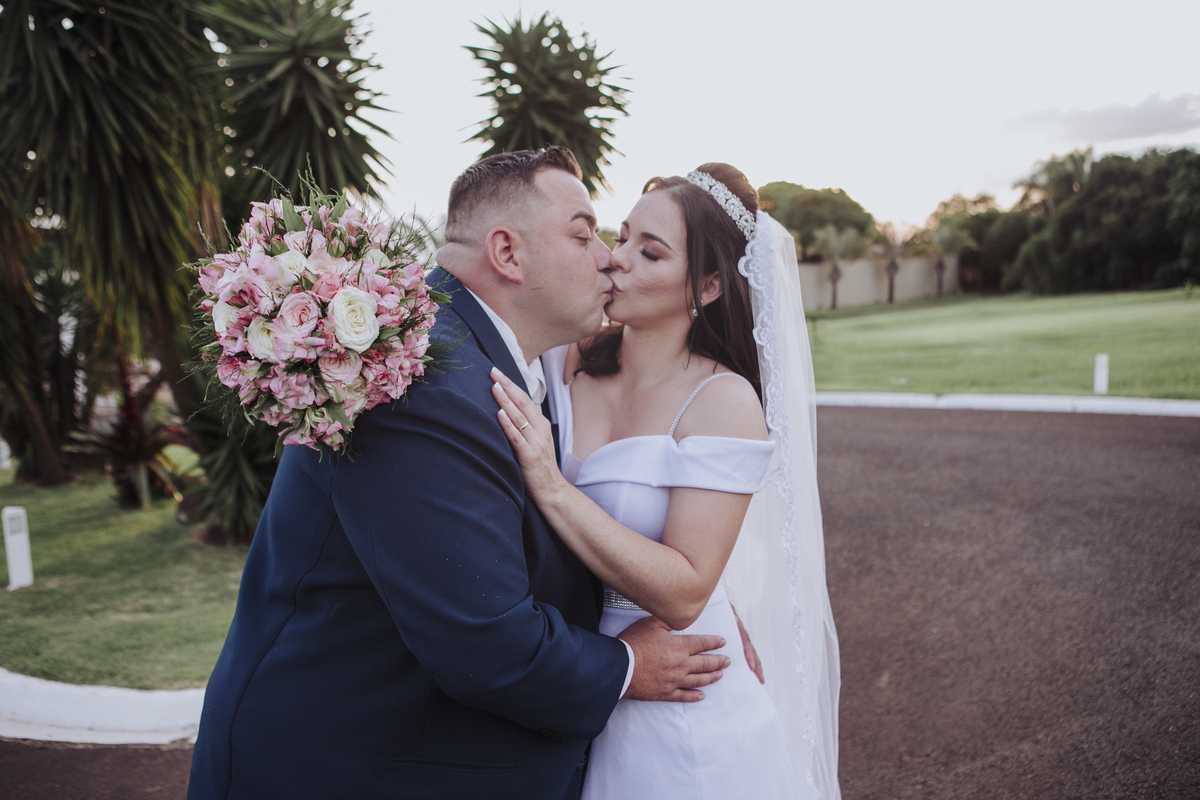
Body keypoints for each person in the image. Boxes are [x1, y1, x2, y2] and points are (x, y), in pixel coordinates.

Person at [186, 147, 735, 800]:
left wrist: (716, 603)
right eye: (584, 234)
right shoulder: (425, 384)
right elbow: (488, 644)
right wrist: (629, 664)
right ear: (507, 253)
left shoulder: (481, 351)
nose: (606, 258)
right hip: (351, 763)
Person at [489, 164, 842, 799]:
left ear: (707, 286)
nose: (615, 259)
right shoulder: (564, 358)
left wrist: (553, 485)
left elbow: (683, 594)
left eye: (649, 252)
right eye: (620, 237)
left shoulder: (723, 401)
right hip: (581, 673)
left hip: (683, 692)